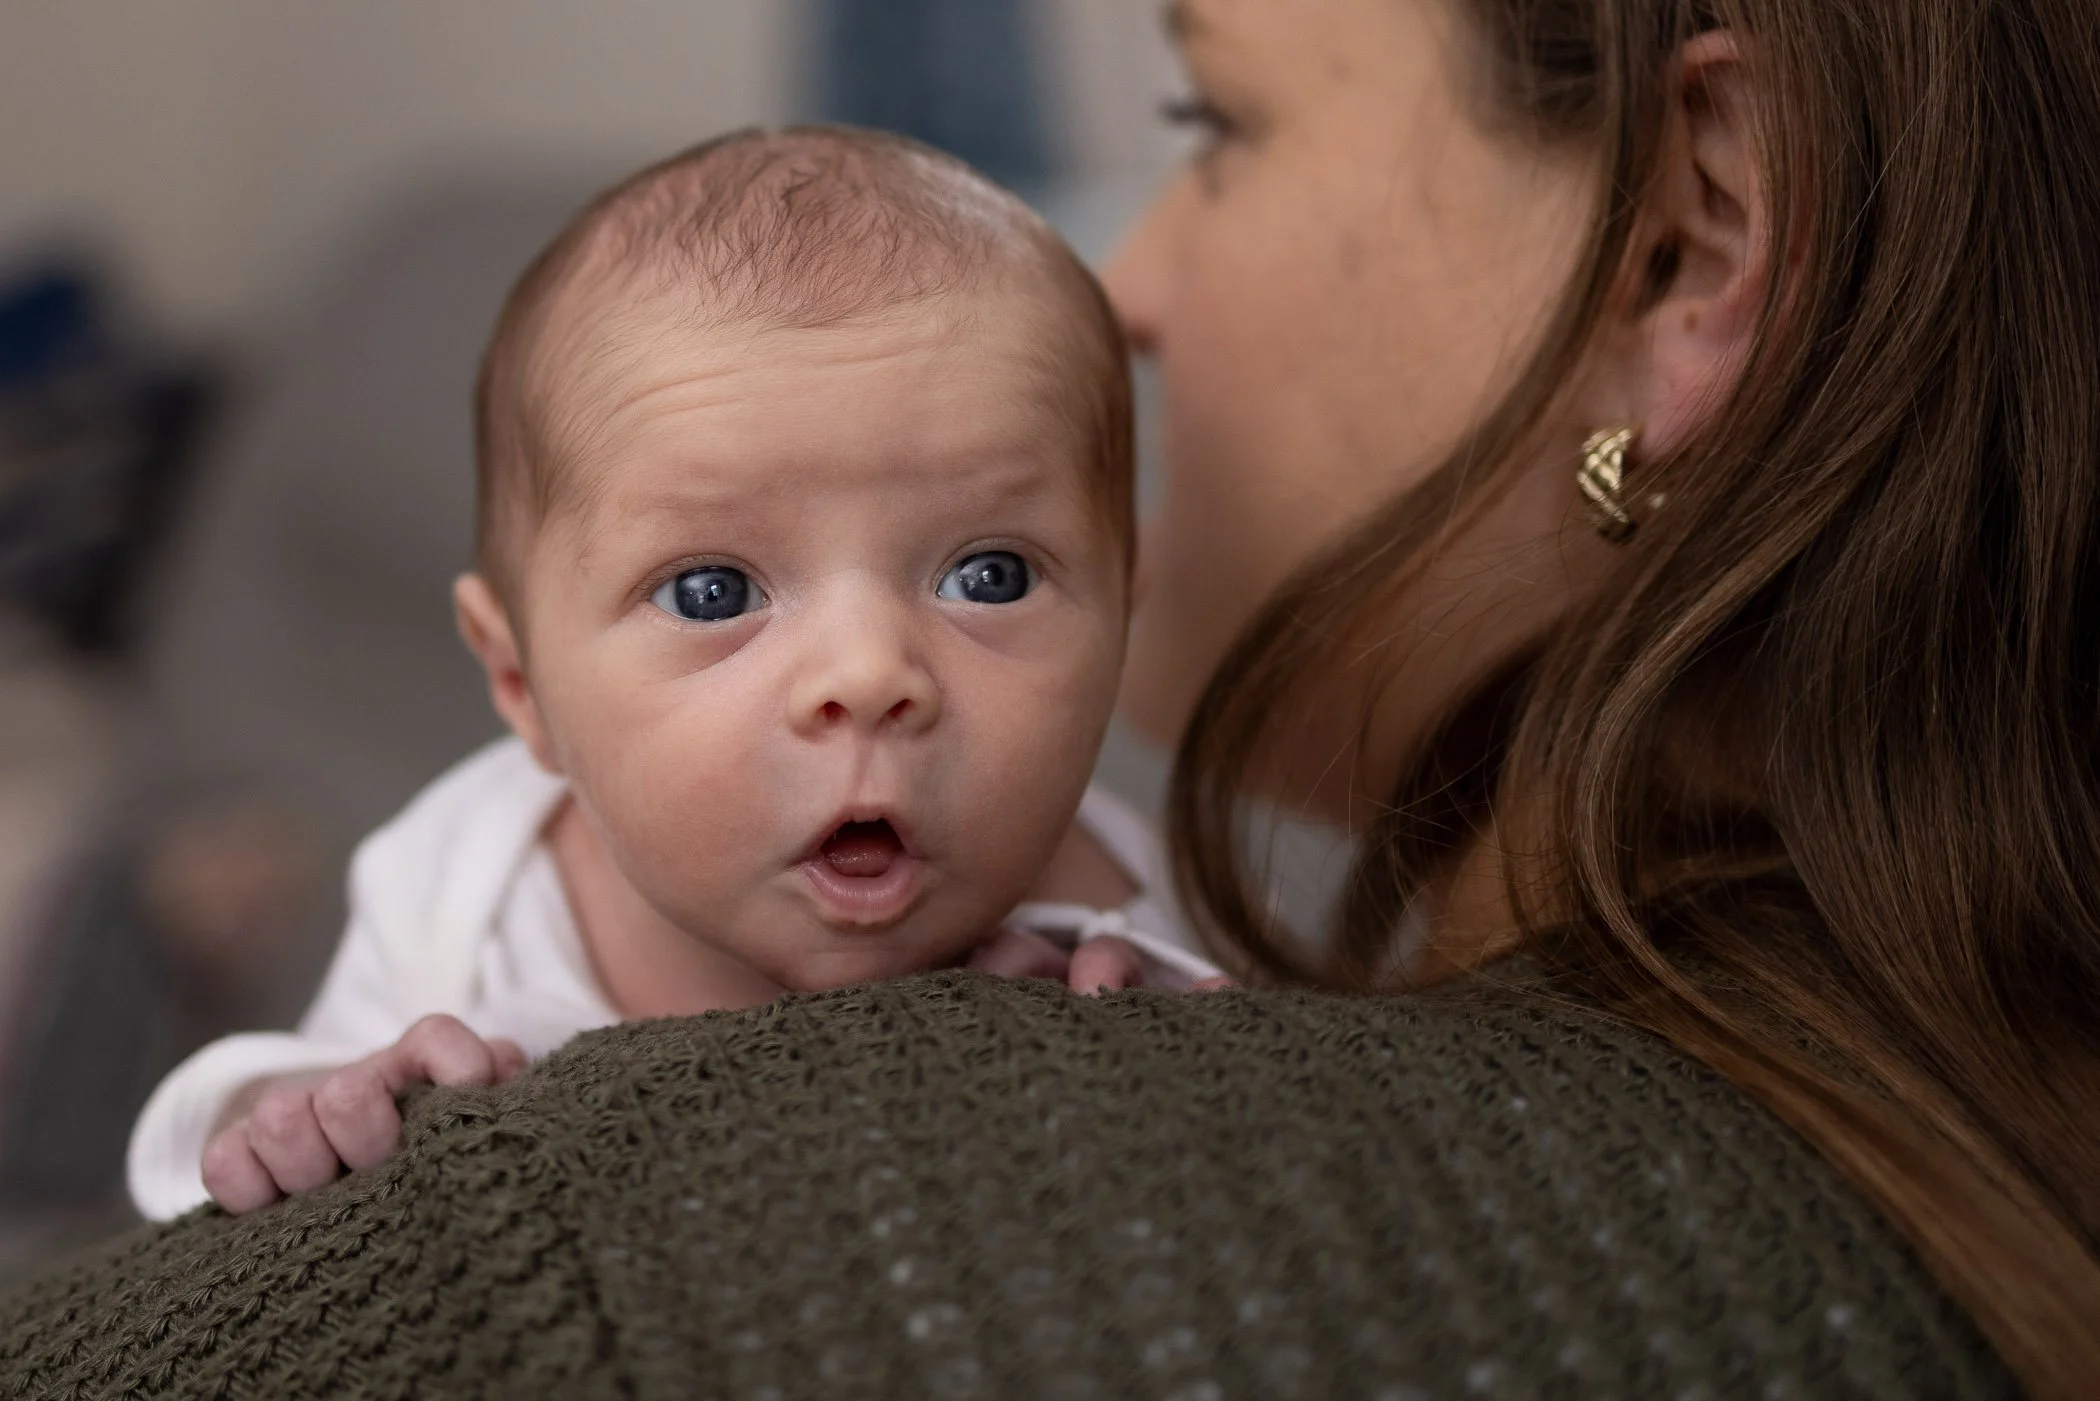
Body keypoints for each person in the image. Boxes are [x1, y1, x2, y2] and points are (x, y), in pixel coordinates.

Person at [5, 1, 2096, 1397]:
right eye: (716, 588)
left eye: (1224, 124)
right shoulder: (1952, 1143)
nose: (1125, 283)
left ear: (1689, 241)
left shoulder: (1087, 1089)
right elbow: (243, 1131)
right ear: (511, 678)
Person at [123, 127, 1220, 1222]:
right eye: (713, 594)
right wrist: (302, 1108)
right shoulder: (459, 894)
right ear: (521, 685)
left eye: (988, 575)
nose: (871, 673)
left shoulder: (1125, 911)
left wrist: (1164, 1036)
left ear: (1120, 611)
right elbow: (203, 1162)